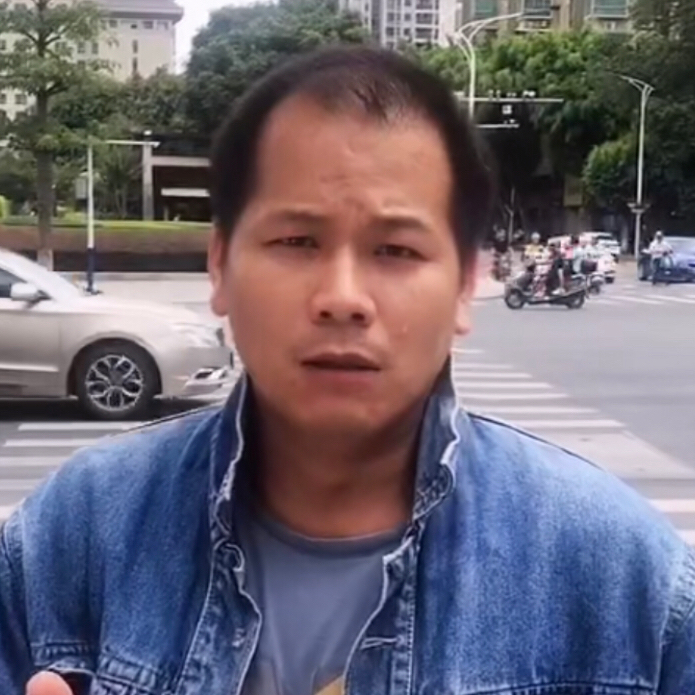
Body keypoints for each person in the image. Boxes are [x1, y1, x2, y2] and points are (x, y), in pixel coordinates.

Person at [2, 47, 694, 695]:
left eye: (395, 250)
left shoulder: (623, 579)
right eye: (296, 240)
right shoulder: (74, 536)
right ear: (220, 265)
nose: (341, 297)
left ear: (464, 286)